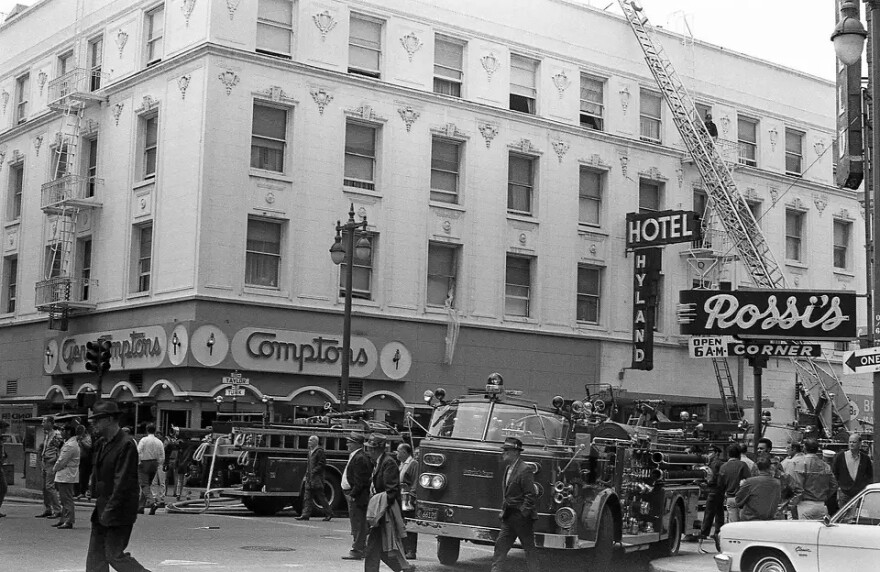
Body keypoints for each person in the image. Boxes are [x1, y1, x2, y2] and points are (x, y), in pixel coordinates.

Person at [86, 400, 152, 572]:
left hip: (118, 511)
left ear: (109, 419)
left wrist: (110, 510)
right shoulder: (102, 443)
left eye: (97, 420)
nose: (94, 424)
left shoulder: (126, 444)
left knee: (114, 555)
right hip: (103, 508)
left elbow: (122, 482)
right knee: (95, 559)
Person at [363, 433, 411, 572]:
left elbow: (391, 491)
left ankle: (403, 568)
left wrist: (378, 510)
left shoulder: (387, 463)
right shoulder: (380, 462)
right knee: (383, 548)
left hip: (384, 513)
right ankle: (404, 569)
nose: (368, 451)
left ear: (374, 449)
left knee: (373, 547)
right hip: (382, 511)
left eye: (370, 448)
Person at [492, 437, 539, 572]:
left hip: (521, 518)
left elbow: (530, 494)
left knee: (529, 549)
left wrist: (523, 513)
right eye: (504, 450)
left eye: (506, 450)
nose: (503, 453)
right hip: (509, 516)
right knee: (500, 546)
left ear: (515, 452)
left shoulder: (525, 469)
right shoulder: (508, 468)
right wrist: (503, 510)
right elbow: (507, 494)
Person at [786, 438, 836, 520]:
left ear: (804, 448)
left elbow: (797, 487)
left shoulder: (799, 464)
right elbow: (834, 485)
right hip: (821, 505)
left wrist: (792, 504)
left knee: (804, 532)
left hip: (805, 504)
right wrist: (825, 496)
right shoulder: (825, 466)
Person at [342, 432, 372, 561]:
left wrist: (352, 495)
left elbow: (360, 481)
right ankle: (362, 548)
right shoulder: (356, 456)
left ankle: (357, 550)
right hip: (354, 494)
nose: (347, 444)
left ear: (356, 444)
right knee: (357, 523)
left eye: (350, 442)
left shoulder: (360, 458)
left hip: (357, 496)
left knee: (358, 524)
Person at [296, 435, 333, 521]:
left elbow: (322, 464)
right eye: (308, 440)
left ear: (315, 442)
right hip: (309, 478)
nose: (309, 442)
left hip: (317, 478)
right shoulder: (310, 452)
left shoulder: (319, 451)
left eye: (310, 441)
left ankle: (329, 513)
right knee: (307, 497)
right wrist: (307, 474)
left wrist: (314, 471)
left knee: (320, 497)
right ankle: (305, 515)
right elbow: (308, 465)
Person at [832, 433, 873, 507]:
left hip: (859, 493)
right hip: (844, 493)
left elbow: (869, 475)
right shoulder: (840, 457)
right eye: (850, 442)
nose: (851, 444)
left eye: (854, 442)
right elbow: (835, 473)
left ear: (860, 443)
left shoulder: (865, 459)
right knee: (843, 515)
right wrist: (839, 486)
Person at [735, 454, 781, 521]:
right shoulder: (777, 483)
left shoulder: (750, 482)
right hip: (768, 520)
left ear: (757, 467)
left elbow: (738, 500)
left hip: (750, 519)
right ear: (769, 467)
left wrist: (742, 486)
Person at [53, 423, 81, 529]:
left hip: (66, 474)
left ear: (68, 432)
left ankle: (69, 520)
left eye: (63, 430)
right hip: (65, 474)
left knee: (67, 499)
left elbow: (62, 460)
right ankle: (63, 519)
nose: (61, 432)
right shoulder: (68, 443)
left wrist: (54, 469)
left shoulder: (70, 445)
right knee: (63, 499)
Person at [36, 416, 63, 519]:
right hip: (45, 461)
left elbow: (59, 449)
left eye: (44, 422)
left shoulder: (56, 435)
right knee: (44, 487)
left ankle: (57, 509)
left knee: (49, 486)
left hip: (51, 462)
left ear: (50, 423)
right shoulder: (47, 434)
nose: (42, 424)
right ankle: (48, 509)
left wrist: (55, 460)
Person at [717, 444, 751, 524]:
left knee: (733, 523)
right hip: (742, 498)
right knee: (743, 523)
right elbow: (749, 481)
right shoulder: (743, 465)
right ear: (739, 454)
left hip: (730, 498)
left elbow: (720, 484)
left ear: (728, 454)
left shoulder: (723, 467)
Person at [698, 445, 724, 551]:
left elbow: (713, 479)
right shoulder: (715, 463)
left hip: (714, 492)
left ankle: (702, 540)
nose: (709, 454)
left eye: (711, 452)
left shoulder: (715, 463)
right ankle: (718, 538)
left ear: (716, 453)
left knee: (708, 515)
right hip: (719, 492)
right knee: (719, 516)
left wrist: (706, 484)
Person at [136, 423, 164, 516]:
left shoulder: (144, 440)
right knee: (148, 484)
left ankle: (152, 502)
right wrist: (159, 463)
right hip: (154, 463)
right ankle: (140, 506)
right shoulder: (159, 441)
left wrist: (138, 461)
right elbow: (162, 454)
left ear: (147, 430)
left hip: (144, 463)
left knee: (144, 484)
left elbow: (138, 451)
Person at [396, 443, 418, 560]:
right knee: (402, 523)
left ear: (405, 452)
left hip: (408, 498)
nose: (397, 453)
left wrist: (412, 495)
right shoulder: (402, 464)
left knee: (409, 523)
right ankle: (404, 548)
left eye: (398, 451)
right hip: (401, 496)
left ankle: (411, 550)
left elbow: (415, 481)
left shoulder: (413, 464)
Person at [77, 424, 94, 499]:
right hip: (79, 458)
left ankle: (87, 491)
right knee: (81, 476)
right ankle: (82, 491)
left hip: (87, 459)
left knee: (86, 476)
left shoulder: (87, 437)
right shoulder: (78, 438)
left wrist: (82, 441)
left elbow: (89, 446)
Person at [0, 419, 9, 518]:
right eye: (4, 429)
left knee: (3, 487)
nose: (6, 431)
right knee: (3, 486)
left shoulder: (1, 438)